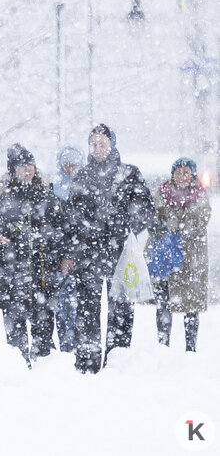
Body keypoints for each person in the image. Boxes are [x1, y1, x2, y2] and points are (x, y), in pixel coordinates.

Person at [60, 124, 155, 374]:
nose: (98, 148)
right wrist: (71, 251)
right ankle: (87, 364)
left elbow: (146, 210)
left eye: (102, 143)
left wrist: (123, 221)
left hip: (121, 254)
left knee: (121, 310)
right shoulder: (82, 177)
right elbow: (72, 218)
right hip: (88, 254)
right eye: (93, 144)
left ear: (112, 144)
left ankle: (117, 361)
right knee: (87, 310)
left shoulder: (130, 174)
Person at [0, 144, 62, 366]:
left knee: (45, 335)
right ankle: (18, 373)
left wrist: (53, 248)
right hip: (13, 277)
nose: (27, 170)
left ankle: (46, 370)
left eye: (30, 165)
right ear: (13, 171)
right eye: (21, 166)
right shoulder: (4, 200)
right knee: (15, 340)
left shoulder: (47, 197)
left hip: (43, 276)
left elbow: (62, 229)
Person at [152, 158, 211, 351]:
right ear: (172, 174)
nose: (182, 176)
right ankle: (163, 346)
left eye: (186, 172)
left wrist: (176, 223)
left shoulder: (200, 196)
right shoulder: (161, 194)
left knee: (191, 305)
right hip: (166, 258)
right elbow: (153, 218)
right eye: (178, 172)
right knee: (163, 303)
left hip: (191, 260)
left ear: (193, 176)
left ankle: (190, 348)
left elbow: (199, 221)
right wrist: (168, 225)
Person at [51, 146, 84, 352]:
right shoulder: (54, 189)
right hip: (59, 257)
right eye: (67, 164)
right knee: (63, 306)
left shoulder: (86, 188)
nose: (70, 168)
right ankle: (66, 347)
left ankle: (79, 348)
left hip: (82, 256)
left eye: (74, 164)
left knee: (80, 307)